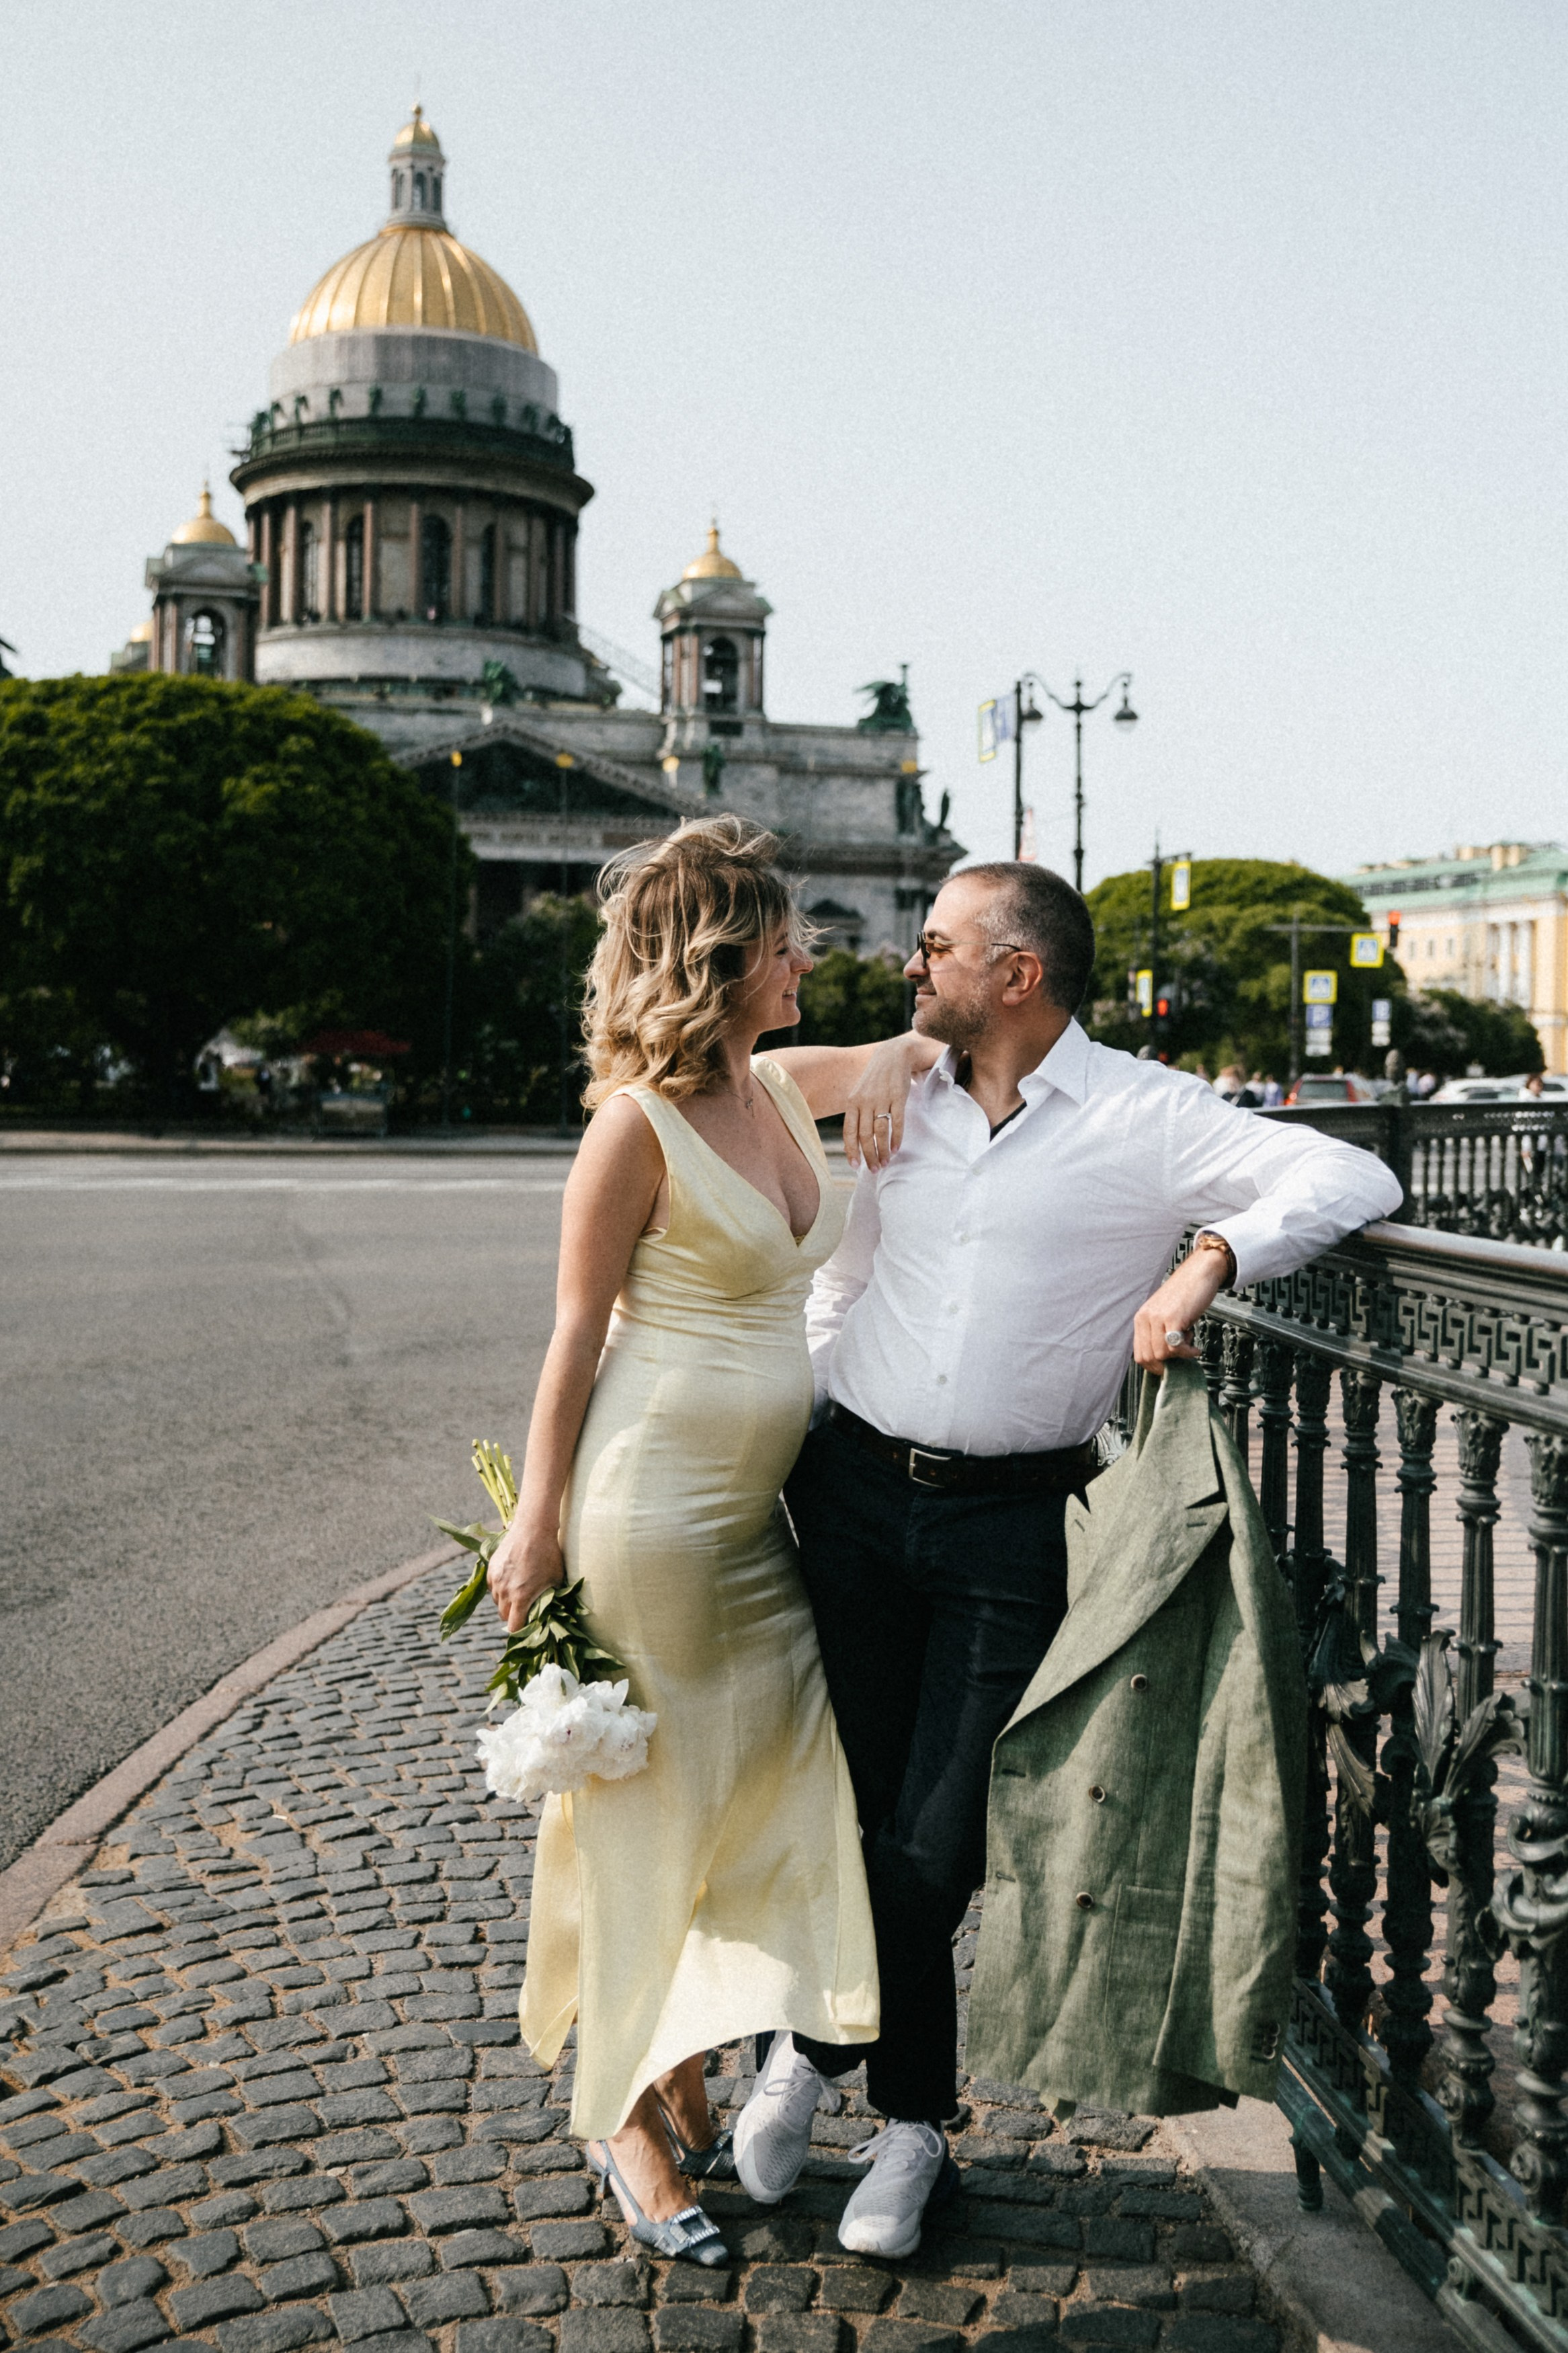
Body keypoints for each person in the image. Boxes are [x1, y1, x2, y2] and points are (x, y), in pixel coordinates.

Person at [731, 860, 1403, 2258]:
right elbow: (755, 1093)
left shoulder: (1147, 1119)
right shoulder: (902, 1085)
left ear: (1017, 973)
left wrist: (1210, 1253)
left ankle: (819, 2052)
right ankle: (913, 2128)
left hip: (1013, 1522)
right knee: (857, 1811)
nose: (910, 965)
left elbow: (1351, 1170)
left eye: (936, 951)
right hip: (850, 1492)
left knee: (938, 1838)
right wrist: (900, 1051)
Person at [485, 818, 933, 2266]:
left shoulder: (774, 1083)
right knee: (651, 1805)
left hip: (758, 1519)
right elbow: (572, 1333)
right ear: (731, 959)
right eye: (794, 937)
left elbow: (912, 1052)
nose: (815, 955)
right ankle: (627, 2115)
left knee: (768, 1786)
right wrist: (535, 1522)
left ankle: (682, 2064)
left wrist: (924, 1057)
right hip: (653, 1510)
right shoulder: (634, 1124)